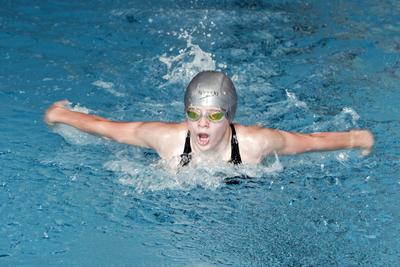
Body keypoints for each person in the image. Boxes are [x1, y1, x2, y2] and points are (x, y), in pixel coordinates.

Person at [45, 71, 374, 166]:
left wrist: (356, 138)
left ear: (229, 116)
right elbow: (109, 129)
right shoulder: (167, 139)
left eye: (214, 115)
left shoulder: (255, 143)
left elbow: (308, 143)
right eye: (194, 114)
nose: (202, 124)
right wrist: (62, 115)